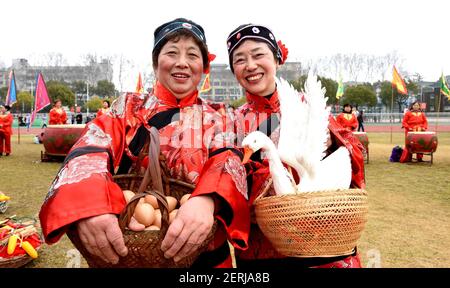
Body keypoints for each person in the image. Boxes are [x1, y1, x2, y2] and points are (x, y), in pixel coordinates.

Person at [39, 18, 249, 268]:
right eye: (172, 52)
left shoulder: (220, 115)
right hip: (130, 254)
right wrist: (91, 204)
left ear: (203, 67)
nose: (182, 62)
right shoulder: (127, 108)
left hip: (207, 258)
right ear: (155, 63)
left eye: (192, 55)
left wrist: (208, 200)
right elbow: (89, 150)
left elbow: (227, 159)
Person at [227, 23, 365, 268]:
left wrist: (333, 139)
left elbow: (354, 152)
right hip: (265, 247)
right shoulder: (232, 121)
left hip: (324, 242)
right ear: (233, 70)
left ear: (277, 59)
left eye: (259, 54)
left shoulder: (310, 106)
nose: (250, 65)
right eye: (240, 59)